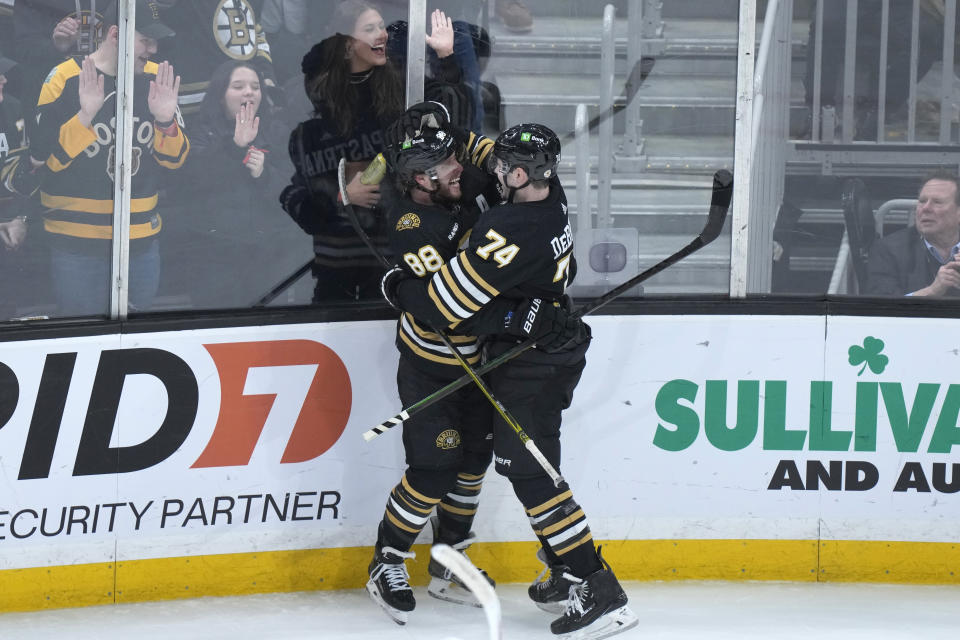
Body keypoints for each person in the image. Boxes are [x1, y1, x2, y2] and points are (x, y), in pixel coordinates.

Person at [382, 123, 638, 639]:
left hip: (531, 364)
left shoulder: (509, 230)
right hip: (543, 355)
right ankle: (567, 570)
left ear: (520, 175)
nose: (488, 171)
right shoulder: (551, 193)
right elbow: (483, 150)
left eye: (501, 167)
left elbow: (444, 308)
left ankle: (596, 585)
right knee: (525, 467)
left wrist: (397, 287)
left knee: (532, 474)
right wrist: (441, 126)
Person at [365, 104, 514, 624]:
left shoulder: (449, 184)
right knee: (433, 470)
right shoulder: (412, 225)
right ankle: (386, 561)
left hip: (480, 365)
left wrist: (461, 135)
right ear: (419, 182)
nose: (458, 168)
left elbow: (500, 169)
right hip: (434, 368)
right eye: (445, 164)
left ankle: (450, 563)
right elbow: (453, 308)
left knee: (473, 466)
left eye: (455, 159)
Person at [278, 2, 457, 303]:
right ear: (348, 45)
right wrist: (340, 196)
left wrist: (445, 57)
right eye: (370, 29)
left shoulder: (402, 87)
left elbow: (446, 112)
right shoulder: (311, 104)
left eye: (381, 27)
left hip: (392, 255)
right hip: (333, 263)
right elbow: (293, 191)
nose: (382, 35)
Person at [29, 2, 187, 316]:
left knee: (138, 341)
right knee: (80, 338)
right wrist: (85, 116)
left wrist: (165, 121)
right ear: (116, 34)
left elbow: (176, 160)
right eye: (146, 40)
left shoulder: (158, 77)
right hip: (76, 245)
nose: (153, 49)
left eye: (156, 41)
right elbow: (42, 164)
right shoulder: (63, 77)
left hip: (140, 243)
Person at [164, 59, 302, 309]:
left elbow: (294, 192)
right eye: (238, 86)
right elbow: (194, 182)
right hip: (214, 258)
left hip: (268, 258)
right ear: (220, 95)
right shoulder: (200, 133)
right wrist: (235, 147)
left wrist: (264, 174)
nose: (249, 91)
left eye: (255, 86)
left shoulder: (278, 131)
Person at [866, 171, 960, 297]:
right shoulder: (888, 250)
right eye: (922, 201)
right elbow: (882, 308)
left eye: (937, 202)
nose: (925, 208)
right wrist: (932, 291)